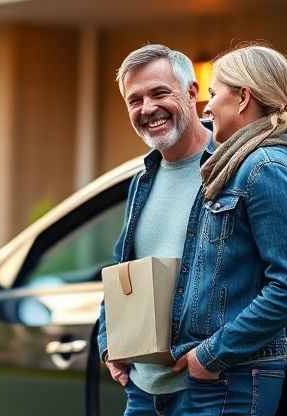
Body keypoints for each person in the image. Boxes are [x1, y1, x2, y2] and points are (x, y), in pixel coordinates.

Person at [169, 44, 287, 415]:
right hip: (219, 375)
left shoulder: (266, 168)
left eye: (214, 94)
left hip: (234, 377)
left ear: (244, 97)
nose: (207, 106)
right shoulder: (242, 164)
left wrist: (211, 355)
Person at [97, 43, 214, 415]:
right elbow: (120, 270)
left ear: (192, 93)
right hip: (142, 391)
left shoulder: (232, 169)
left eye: (160, 92)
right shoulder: (141, 181)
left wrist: (209, 356)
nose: (147, 109)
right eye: (135, 100)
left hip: (206, 389)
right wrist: (109, 341)